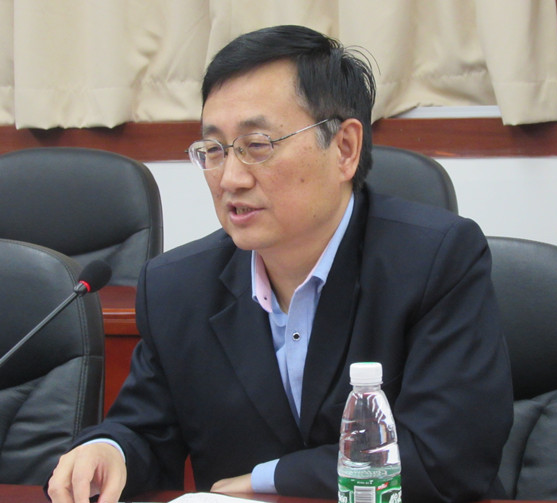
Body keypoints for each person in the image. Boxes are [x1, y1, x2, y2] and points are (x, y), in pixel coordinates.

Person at [47, 25, 513, 503]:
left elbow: (448, 458)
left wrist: (270, 479)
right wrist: (109, 450)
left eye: (257, 145)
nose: (230, 178)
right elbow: (144, 430)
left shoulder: (437, 261)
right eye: (214, 150)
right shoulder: (178, 287)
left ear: (345, 149)